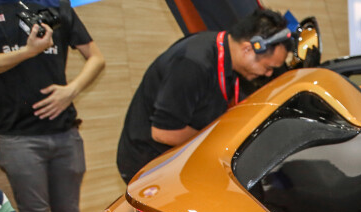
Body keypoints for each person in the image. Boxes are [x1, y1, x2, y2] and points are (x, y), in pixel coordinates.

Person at [0, 0, 105, 212]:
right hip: (19, 137)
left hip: (65, 134)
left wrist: (71, 90)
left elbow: (96, 58)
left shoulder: (57, 5)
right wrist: (27, 52)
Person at [116, 8, 290, 183]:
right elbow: (164, 132)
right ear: (248, 49)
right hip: (147, 164)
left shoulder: (228, 57)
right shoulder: (193, 64)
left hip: (178, 156)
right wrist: (219, 143)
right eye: (268, 68)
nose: (268, 74)